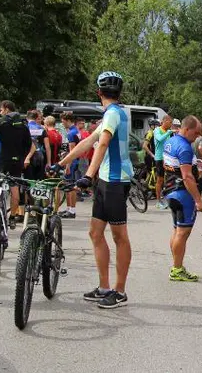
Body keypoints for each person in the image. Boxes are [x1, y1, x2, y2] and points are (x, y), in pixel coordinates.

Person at [76, 71, 133, 309]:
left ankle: (120, 291)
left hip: (115, 181)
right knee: (95, 232)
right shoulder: (113, 113)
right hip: (105, 180)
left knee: (119, 236)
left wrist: (88, 175)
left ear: (98, 92)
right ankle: (104, 287)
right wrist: (61, 163)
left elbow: (102, 144)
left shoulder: (112, 114)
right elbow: (88, 142)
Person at [162, 116, 202, 282]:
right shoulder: (184, 147)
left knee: (177, 230)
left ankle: (177, 265)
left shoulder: (171, 141)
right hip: (182, 193)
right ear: (187, 129)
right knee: (183, 233)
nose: (197, 137)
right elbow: (187, 176)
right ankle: (177, 269)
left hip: (170, 191)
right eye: (196, 133)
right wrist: (198, 200)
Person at [0, 100, 35, 219]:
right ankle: (12, 216)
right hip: (17, 160)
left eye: (1, 110)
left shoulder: (1, 121)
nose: (0, 112)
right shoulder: (23, 123)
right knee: (14, 188)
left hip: (2, 159)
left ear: (6, 109)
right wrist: (22, 156)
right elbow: (28, 143)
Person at [59, 112, 81, 217]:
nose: (62, 124)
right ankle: (69, 208)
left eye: (63, 121)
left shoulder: (71, 133)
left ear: (68, 120)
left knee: (70, 186)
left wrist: (67, 165)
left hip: (72, 162)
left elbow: (72, 152)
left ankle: (72, 210)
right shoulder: (76, 130)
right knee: (69, 185)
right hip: (76, 160)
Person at [153, 115, 175, 208]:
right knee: (160, 180)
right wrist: (169, 132)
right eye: (170, 122)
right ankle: (158, 201)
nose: (171, 124)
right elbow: (159, 139)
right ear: (165, 121)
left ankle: (169, 199)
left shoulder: (168, 132)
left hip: (167, 158)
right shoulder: (157, 130)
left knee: (170, 178)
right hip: (159, 158)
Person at [26, 109, 51, 181]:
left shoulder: (25, 128)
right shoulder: (42, 129)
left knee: (28, 181)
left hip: (28, 157)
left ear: (27, 118)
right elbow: (47, 147)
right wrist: (49, 162)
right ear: (36, 118)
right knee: (39, 180)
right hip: (40, 157)